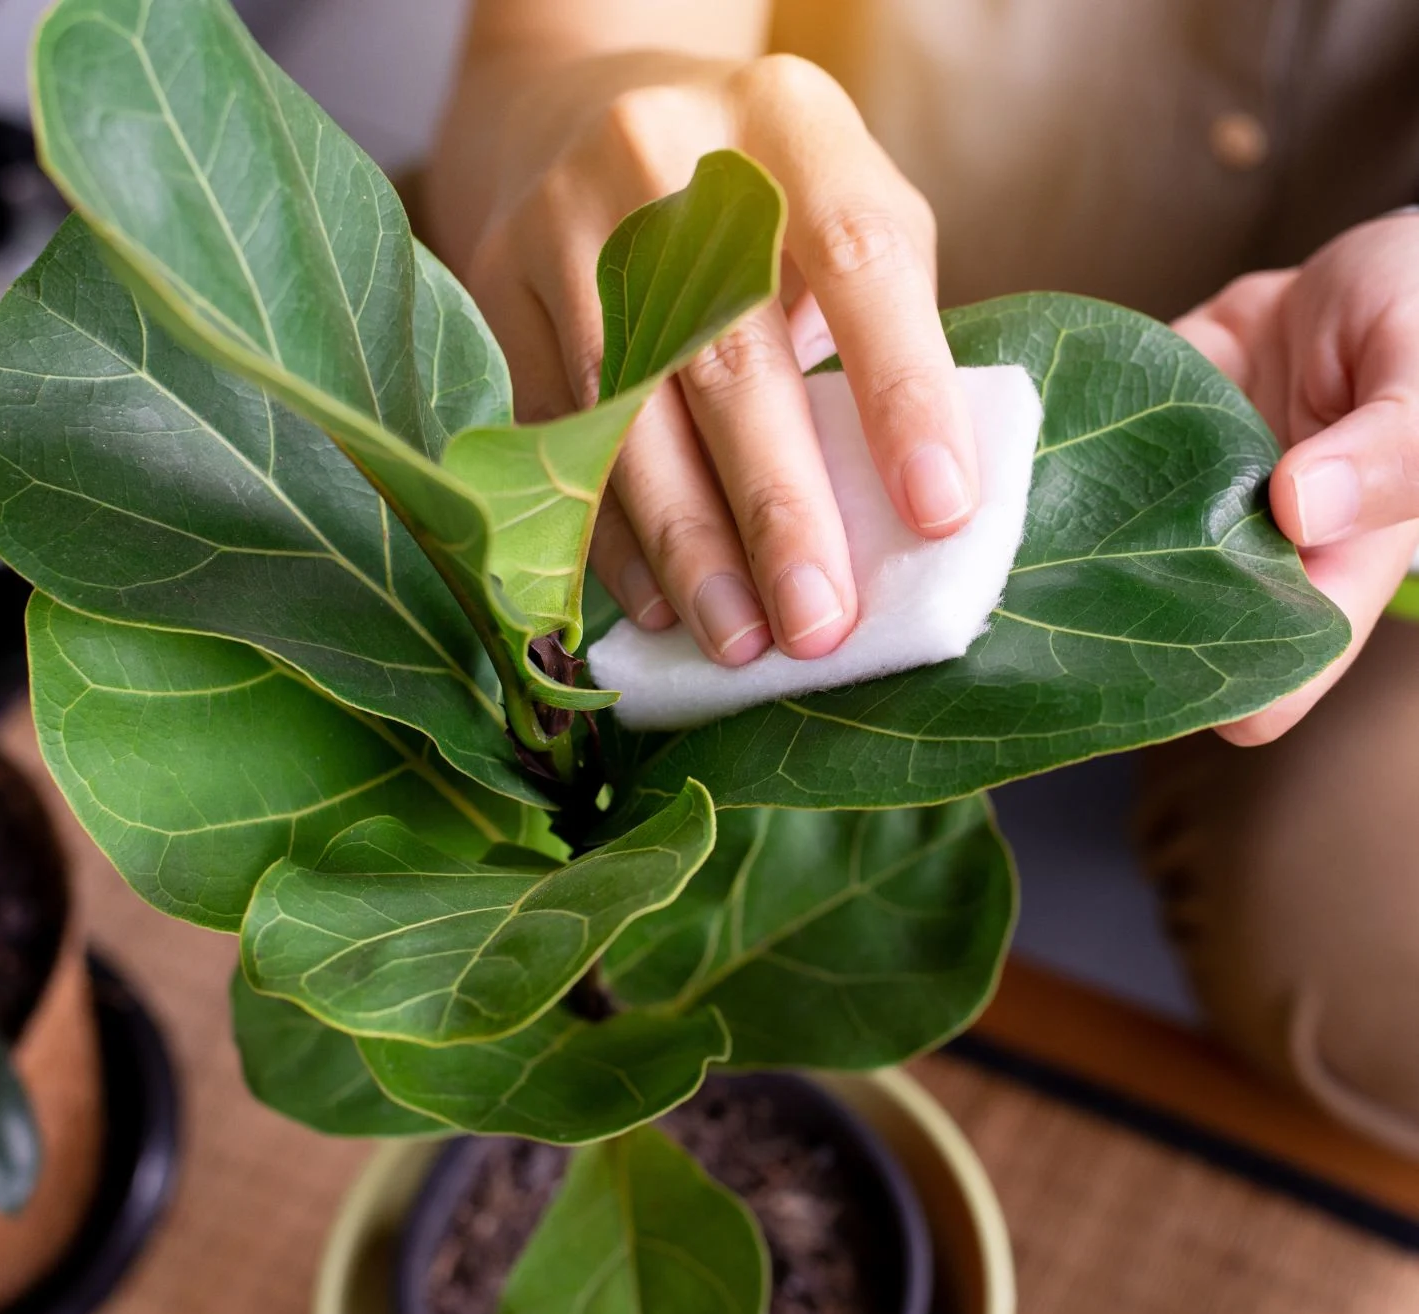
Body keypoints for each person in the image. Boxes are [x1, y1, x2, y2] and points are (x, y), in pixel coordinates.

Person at [422, 1, 1419, 1153]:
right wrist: (578, 112)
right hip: (769, 340)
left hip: (1359, 428)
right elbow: (563, 40)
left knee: (1373, 955)